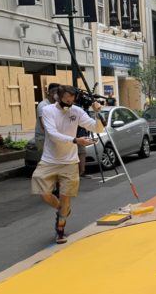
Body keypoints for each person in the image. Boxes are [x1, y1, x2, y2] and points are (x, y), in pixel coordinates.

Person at [31, 85, 105, 244]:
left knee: (66, 198)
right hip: (49, 160)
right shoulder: (48, 111)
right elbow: (52, 134)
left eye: (71, 101)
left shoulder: (76, 111)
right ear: (58, 96)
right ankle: (62, 210)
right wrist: (75, 140)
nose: (69, 105)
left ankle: (60, 229)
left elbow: (96, 127)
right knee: (43, 192)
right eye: (66, 101)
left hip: (70, 162)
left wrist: (98, 113)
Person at [34, 83, 60, 153]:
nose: (60, 95)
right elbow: (43, 125)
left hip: (52, 138)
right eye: (59, 93)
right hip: (43, 139)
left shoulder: (56, 105)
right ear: (52, 93)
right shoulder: (43, 105)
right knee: (45, 162)